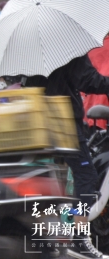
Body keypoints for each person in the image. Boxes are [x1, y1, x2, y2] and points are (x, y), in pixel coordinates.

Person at [23, 57, 109, 259]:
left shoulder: (33, 49)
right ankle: (79, 238)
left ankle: (48, 235)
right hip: (64, 122)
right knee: (86, 177)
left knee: (50, 177)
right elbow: (89, 80)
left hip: (39, 120)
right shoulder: (69, 48)